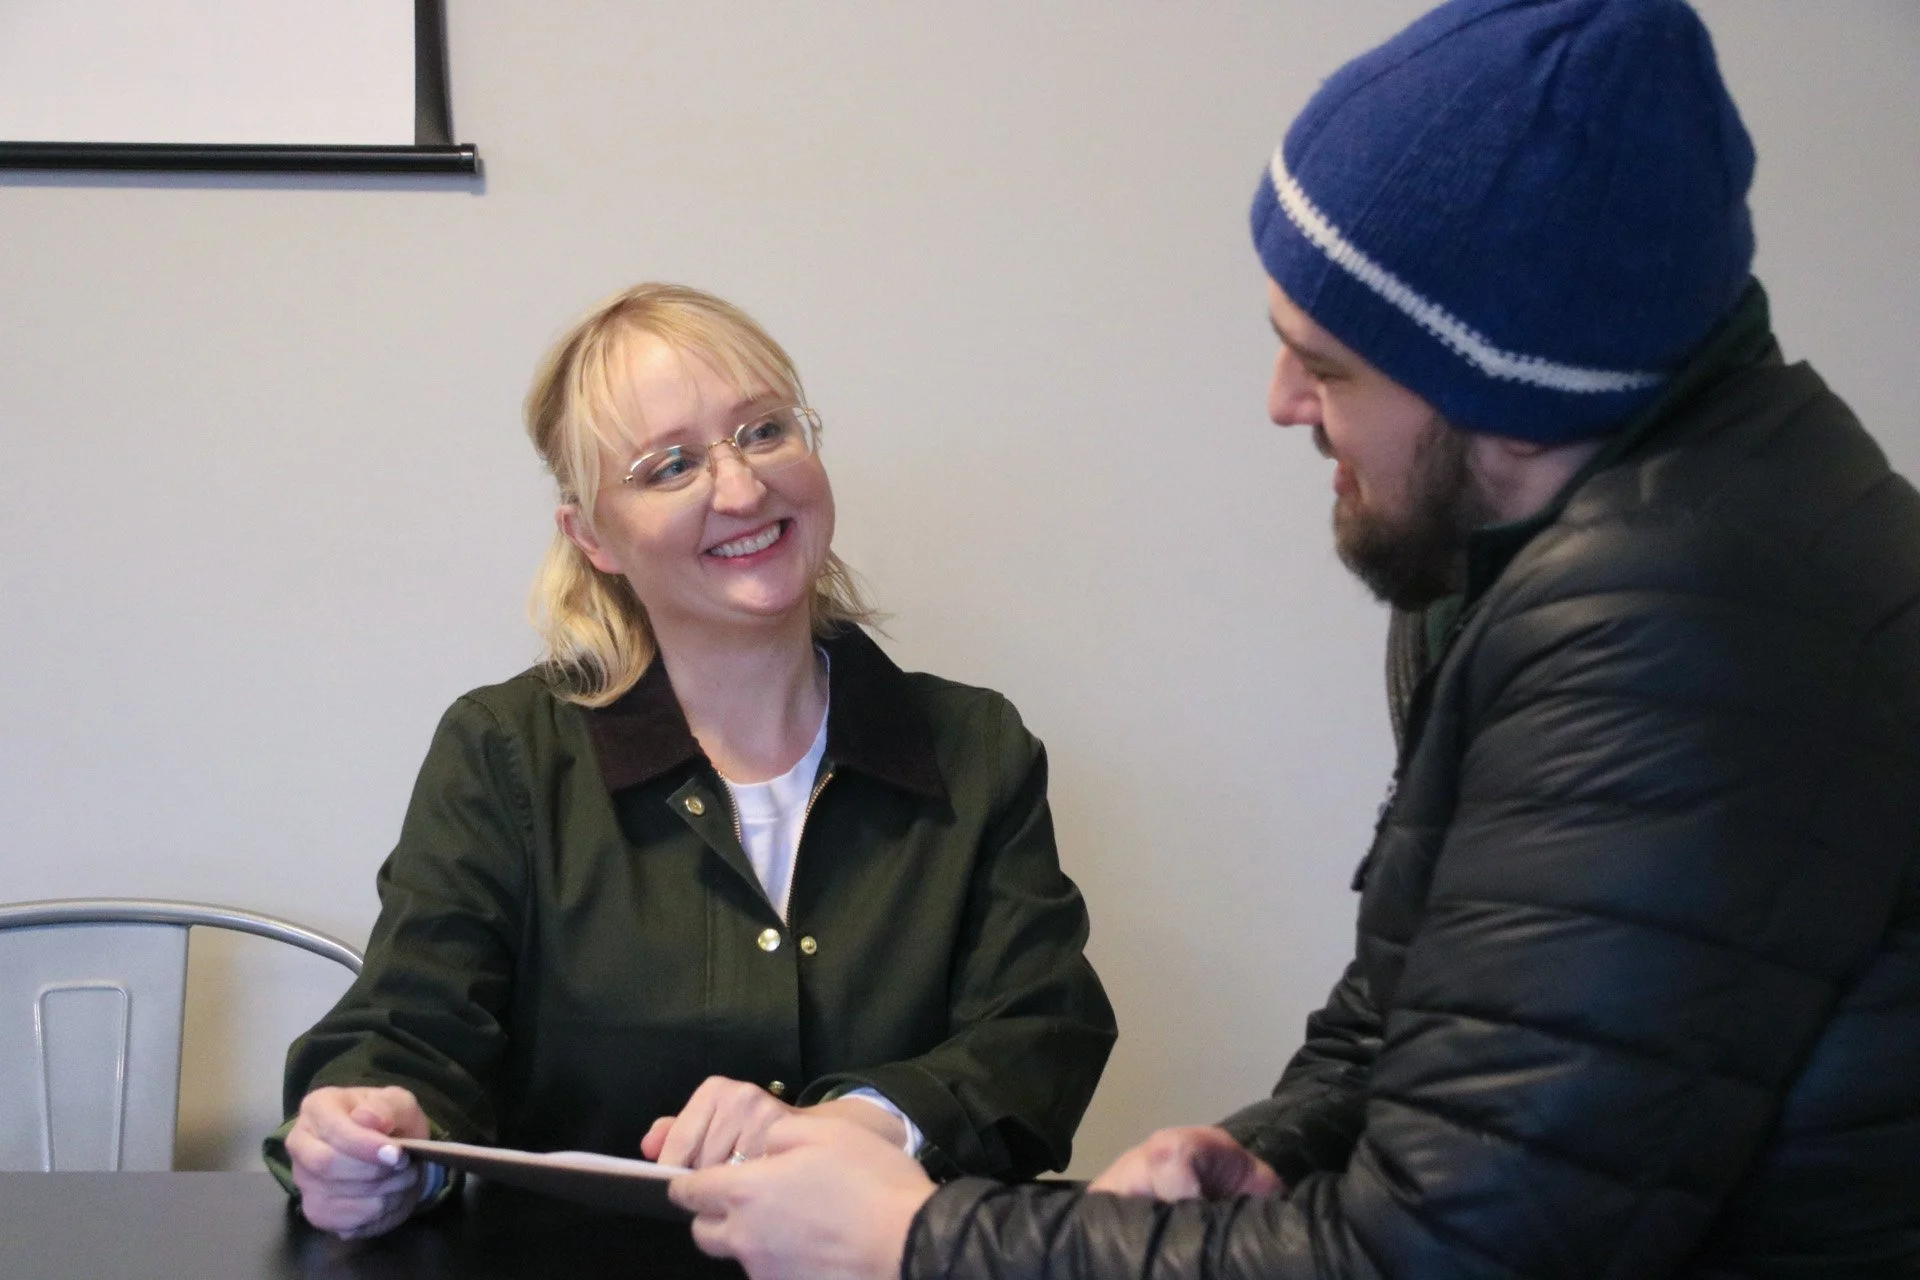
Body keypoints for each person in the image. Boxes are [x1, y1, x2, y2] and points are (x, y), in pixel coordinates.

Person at [670, 1, 1920, 1275]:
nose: (1281, 405)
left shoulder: (1674, 638)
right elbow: (1426, 1018)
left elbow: (1437, 1254)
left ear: (1515, 391)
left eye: (1327, 369)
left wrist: (915, 1237)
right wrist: (1272, 1150)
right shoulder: (1603, 546)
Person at [264, 283, 1116, 1239]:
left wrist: (864, 1124)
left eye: (763, 431)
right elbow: (410, 1028)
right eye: (668, 467)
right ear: (592, 538)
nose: (744, 489)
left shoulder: (977, 745)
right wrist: (370, 1143)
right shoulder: (504, 754)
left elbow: (1042, 1033)